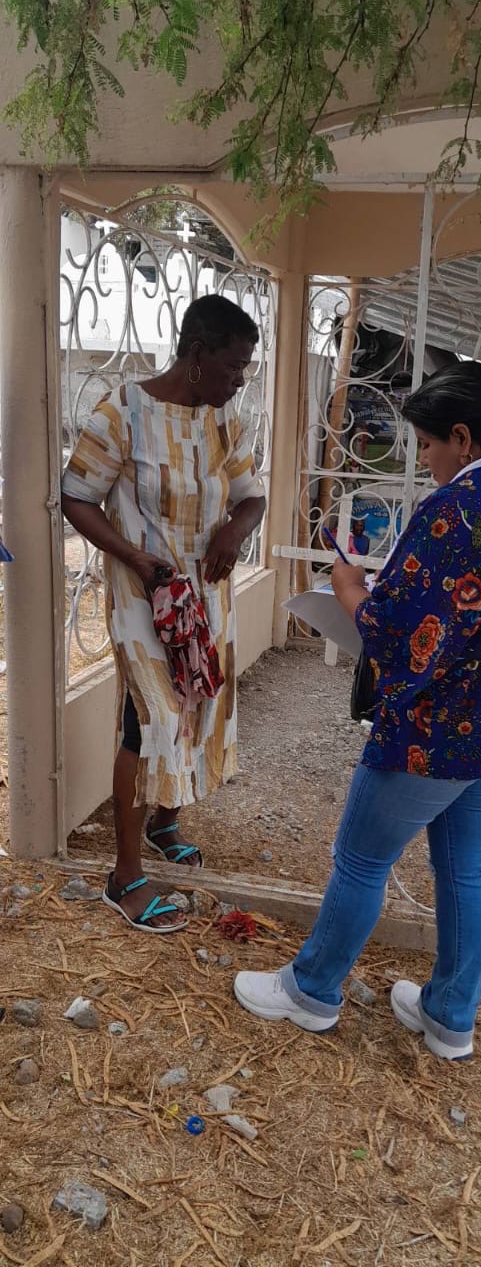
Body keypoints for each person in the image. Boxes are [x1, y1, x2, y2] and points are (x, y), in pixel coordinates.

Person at [235, 361, 481, 1058]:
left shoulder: (458, 506)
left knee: (360, 859)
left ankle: (311, 991)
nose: (425, 460)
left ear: (462, 437)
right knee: (465, 868)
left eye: (427, 444)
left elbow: (398, 635)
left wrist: (349, 587)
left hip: (437, 728)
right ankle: (450, 1016)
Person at [62, 295, 266, 932]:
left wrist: (234, 529)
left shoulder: (223, 419)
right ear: (197, 354)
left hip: (206, 600)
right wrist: (134, 556)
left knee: (197, 708)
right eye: (234, 366)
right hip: (144, 597)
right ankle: (124, 877)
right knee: (149, 718)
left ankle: (164, 822)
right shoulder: (121, 413)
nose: (240, 380)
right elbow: (76, 497)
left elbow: (251, 497)